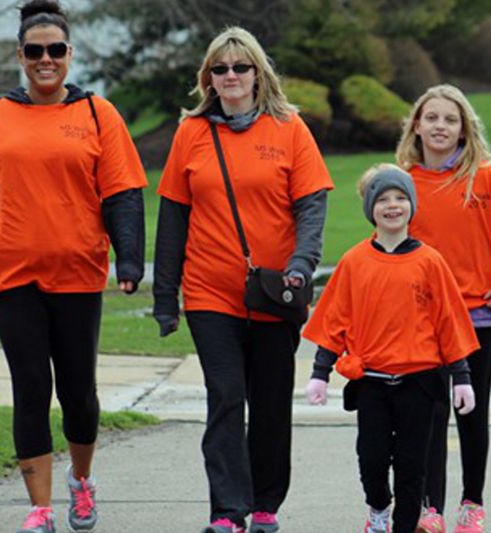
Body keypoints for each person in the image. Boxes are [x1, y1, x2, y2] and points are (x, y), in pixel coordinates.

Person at [0, 1, 147, 532]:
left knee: (78, 390)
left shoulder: (98, 114)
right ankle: (40, 508)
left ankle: (82, 483)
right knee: (30, 386)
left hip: (76, 271)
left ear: (69, 55)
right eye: (34, 51)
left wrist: (130, 258)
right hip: (10, 274)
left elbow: (122, 194)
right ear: (21, 58)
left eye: (55, 50)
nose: (45, 59)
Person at [153, 25, 333, 533]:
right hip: (211, 292)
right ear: (208, 77)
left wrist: (301, 266)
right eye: (220, 68)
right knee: (227, 396)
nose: (230, 76)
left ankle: (264, 505)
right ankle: (228, 510)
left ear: (258, 73)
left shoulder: (289, 128)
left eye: (240, 67)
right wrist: (166, 297)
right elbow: (171, 219)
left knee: (271, 404)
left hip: (275, 293)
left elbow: (312, 207)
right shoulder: (191, 133)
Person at [394, 84, 491, 533]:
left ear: (464, 129)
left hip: (477, 316)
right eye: (432, 117)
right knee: (429, 414)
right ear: (416, 124)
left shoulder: (484, 178)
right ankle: (429, 509)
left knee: (471, 412)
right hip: (420, 321)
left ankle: (472, 503)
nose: (440, 126)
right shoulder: (401, 183)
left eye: (450, 119)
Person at [304, 164, 479, 533]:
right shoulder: (355, 262)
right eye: (382, 199)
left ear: (412, 205)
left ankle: (403, 525)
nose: (393, 205)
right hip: (372, 384)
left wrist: (461, 377)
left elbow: (450, 322)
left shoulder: (430, 261)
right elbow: (335, 319)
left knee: (413, 466)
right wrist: (320, 373)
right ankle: (379, 508)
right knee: (371, 459)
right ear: (371, 209)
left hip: (420, 382)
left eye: (401, 198)